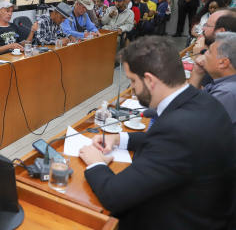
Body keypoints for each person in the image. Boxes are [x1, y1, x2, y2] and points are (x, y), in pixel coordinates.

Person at [78, 36, 236, 230]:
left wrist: (96, 163)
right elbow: (170, 144)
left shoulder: (178, 131)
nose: (133, 89)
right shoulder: (204, 101)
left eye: (133, 81)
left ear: (150, 80)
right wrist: (119, 138)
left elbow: (113, 196)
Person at [189, 32, 236, 136]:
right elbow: (191, 101)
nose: (204, 53)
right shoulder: (222, 82)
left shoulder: (227, 93)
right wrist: (197, 73)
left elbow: (192, 123)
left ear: (223, 63)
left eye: (209, 52)